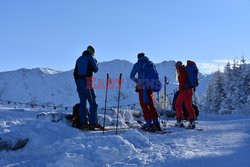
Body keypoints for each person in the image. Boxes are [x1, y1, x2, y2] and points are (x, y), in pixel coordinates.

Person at [130, 53, 161, 131]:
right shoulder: (151, 63)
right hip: (150, 86)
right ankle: (156, 122)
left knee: (144, 104)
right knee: (151, 103)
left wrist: (137, 81)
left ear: (138, 57)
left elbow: (131, 76)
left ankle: (148, 122)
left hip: (142, 85)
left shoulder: (138, 64)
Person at [73, 45, 98, 130]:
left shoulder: (79, 59)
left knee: (83, 103)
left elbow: (75, 73)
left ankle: (83, 123)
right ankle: (92, 123)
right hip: (87, 82)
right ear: (92, 53)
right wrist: (95, 61)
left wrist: (77, 83)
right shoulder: (90, 58)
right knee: (93, 103)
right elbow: (96, 69)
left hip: (79, 83)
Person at [175, 61, 196, 128]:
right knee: (189, 106)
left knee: (177, 104)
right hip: (190, 90)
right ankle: (192, 122)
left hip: (184, 91)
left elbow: (182, 82)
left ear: (177, 66)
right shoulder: (185, 70)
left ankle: (179, 121)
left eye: (176, 66)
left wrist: (181, 90)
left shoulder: (181, 71)